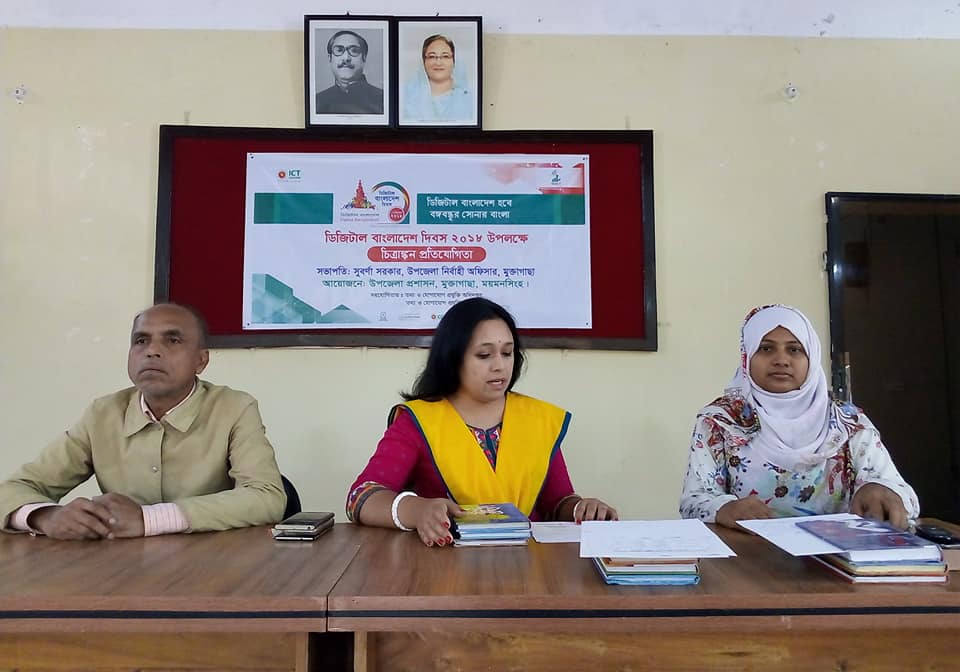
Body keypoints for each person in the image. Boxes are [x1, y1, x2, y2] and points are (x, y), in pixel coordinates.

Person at [347, 297, 617, 547]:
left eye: (507, 353)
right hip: (445, 566)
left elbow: (557, 502)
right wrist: (417, 511)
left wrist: (582, 509)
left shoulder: (538, 419)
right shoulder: (419, 421)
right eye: (484, 355)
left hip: (530, 566)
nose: (499, 366)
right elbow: (361, 497)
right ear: (453, 359)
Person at [0, 303, 286, 539]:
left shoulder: (234, 407)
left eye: (172, 340)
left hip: (213, 563)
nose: (152, 351)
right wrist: (45, 516)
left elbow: (266, 497)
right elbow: (13, 489)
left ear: (201, 361)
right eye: (141, 341)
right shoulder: (103, 413)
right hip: (119, 568)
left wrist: (149, 519)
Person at [680, 304, 919, 530]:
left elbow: (905, 496)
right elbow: (693, 501)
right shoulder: (720, 421)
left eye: (794, 349)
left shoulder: (848, 423)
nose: (781, 360)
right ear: (747, 357)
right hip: (748, 551)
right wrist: (724, 508)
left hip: (837, 553)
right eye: (766, 348)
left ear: (811, 357)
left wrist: (882, 490)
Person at [401, 34, 474, 123]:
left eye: (445, 56)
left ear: (454, 61)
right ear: (424, 61)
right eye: (432, 56)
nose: (438, 63)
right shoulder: (407, 97)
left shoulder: (470, 98)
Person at [314, 30, 384, 115]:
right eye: (339, 50)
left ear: (364, 57)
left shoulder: (382, 99)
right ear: (330, 58)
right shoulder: (317, 102)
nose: (346, 58)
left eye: (354, 51)